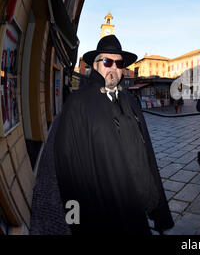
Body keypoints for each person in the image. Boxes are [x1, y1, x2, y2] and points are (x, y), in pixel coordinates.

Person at [54, 35, 174, 235]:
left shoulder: (130, 100)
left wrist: (158, 210)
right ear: (95, 65)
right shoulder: (78, 104)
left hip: (139, 203)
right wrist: (74, 221)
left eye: (119, 63)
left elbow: (148, 154)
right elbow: (66, 170)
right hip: (105, 214)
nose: (114, 68)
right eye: (107, 62)